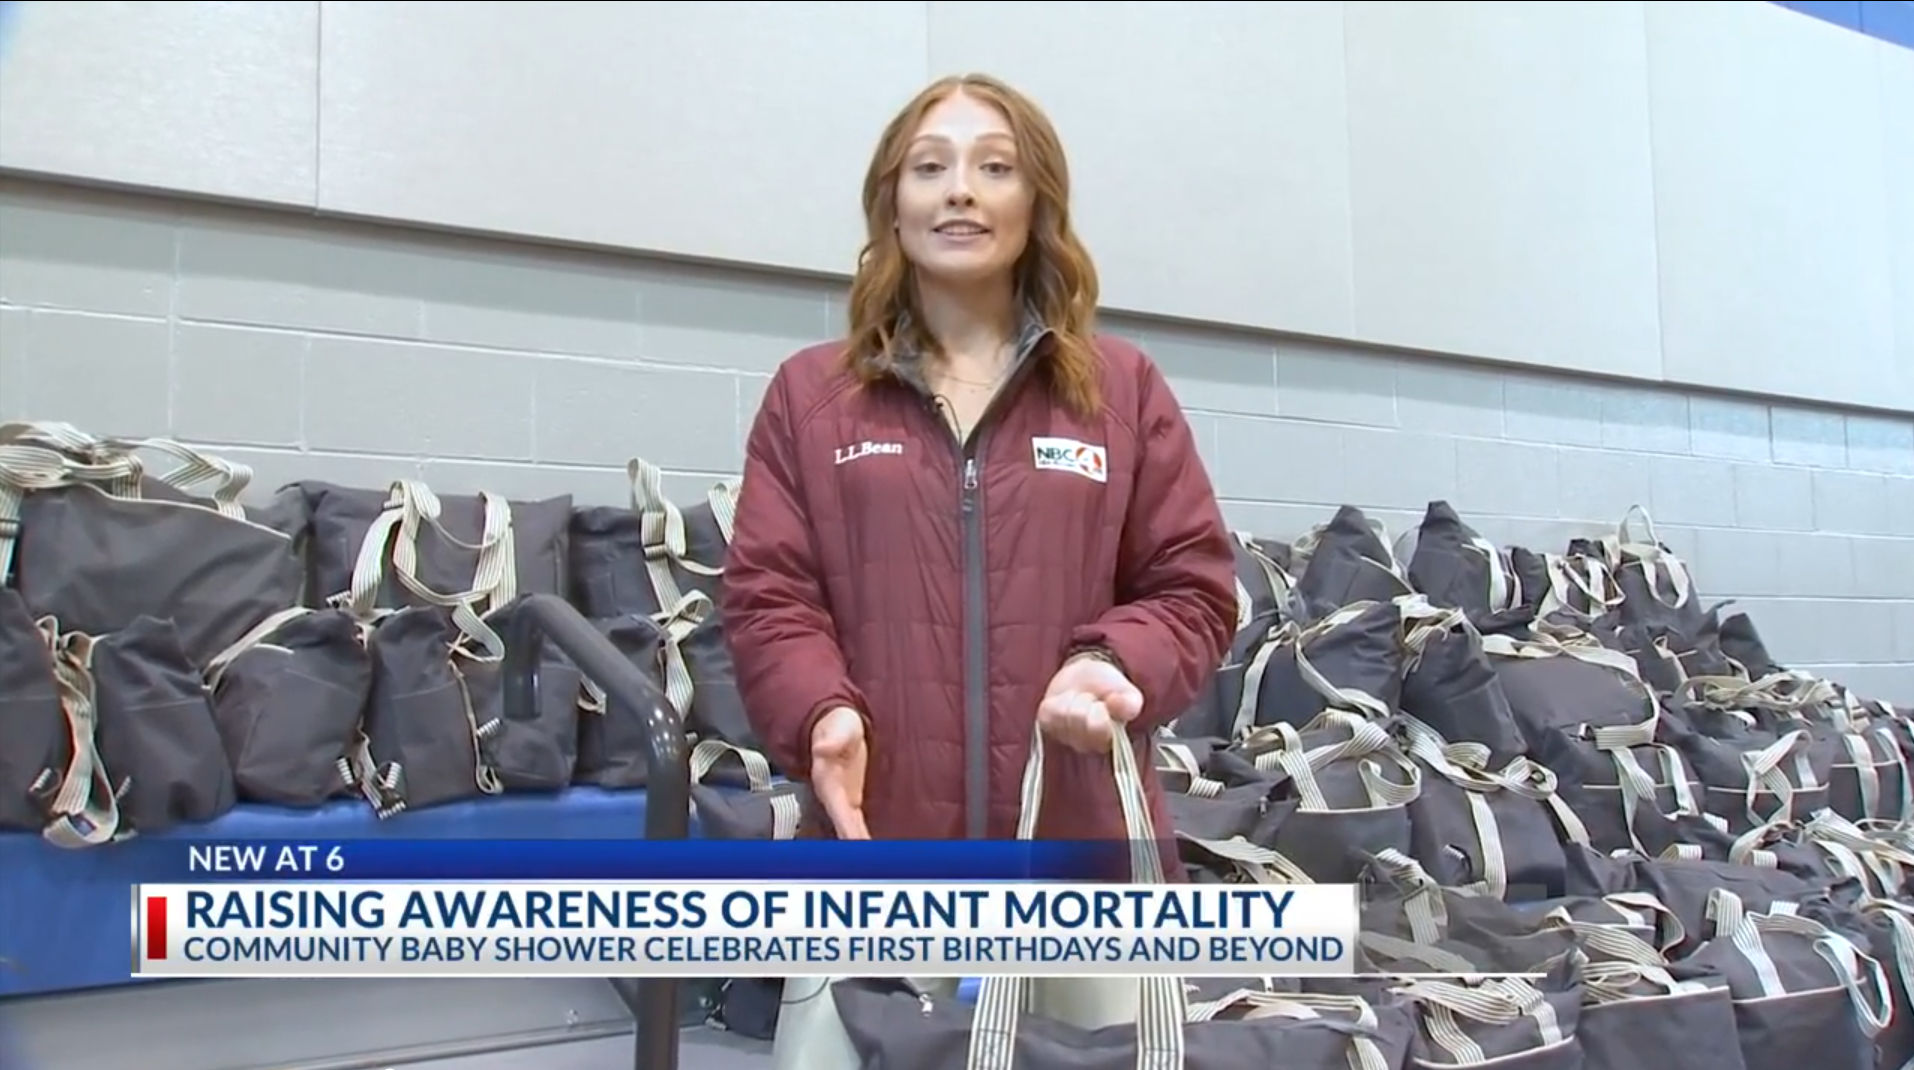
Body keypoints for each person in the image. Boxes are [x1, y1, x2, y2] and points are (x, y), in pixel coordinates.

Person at [720, 72, 1236, 859]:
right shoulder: (810, 396)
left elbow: (1192, 588)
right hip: (879, 849)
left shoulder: (1122, 391)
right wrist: (819, 710)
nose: (959, 190)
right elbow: (770, 599)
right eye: (929, 167)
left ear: (1037, 202)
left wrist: (1111, 661)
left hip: (1081, 855)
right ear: (893, 204)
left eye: (995, 167)